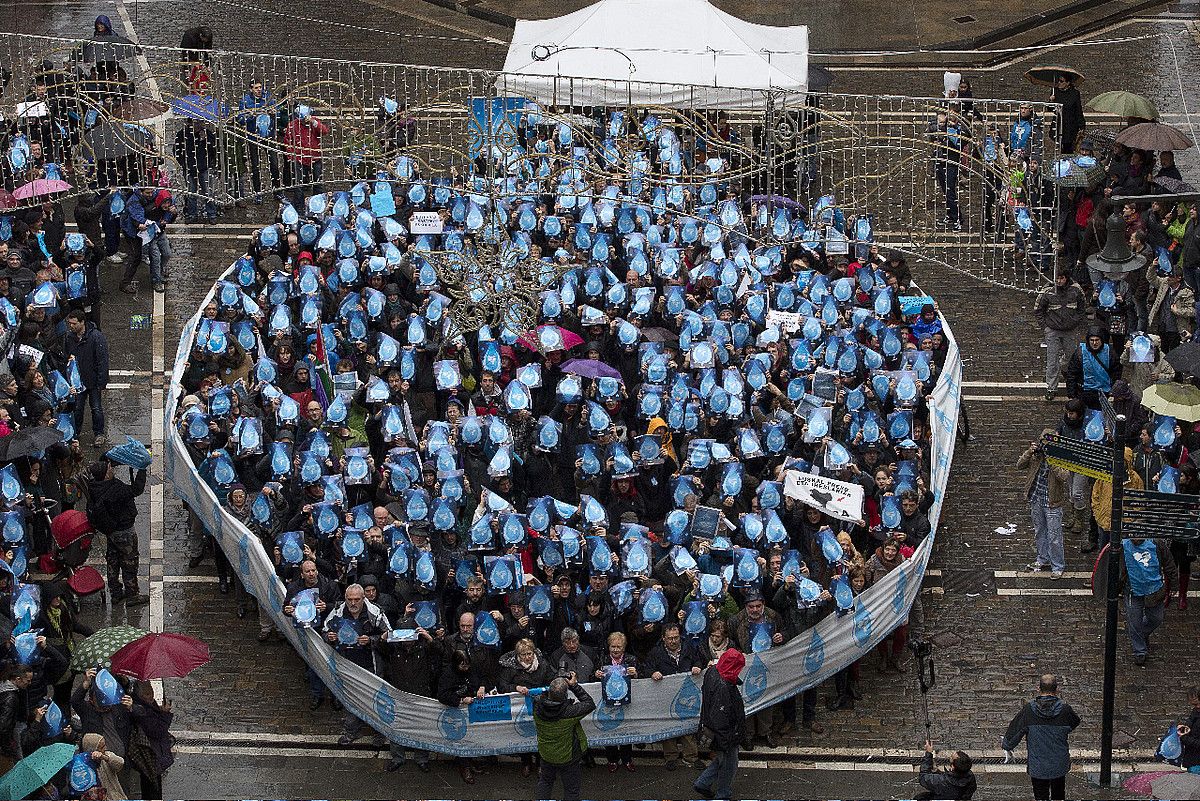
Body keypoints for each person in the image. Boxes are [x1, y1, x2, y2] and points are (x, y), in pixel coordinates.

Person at [1001, 674, 1081, 800]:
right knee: (1059, 794)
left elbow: (1014, 731)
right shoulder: (1065, 709)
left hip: (1038, 764)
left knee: (1040, 796)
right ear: (1057, 689)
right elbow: (1074, 722)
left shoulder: (1029, 710)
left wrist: (1007, 745)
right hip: (1059, 763)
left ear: (1038, 688)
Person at [87, 457, 149, 605]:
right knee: (130, 562)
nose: (111, 469)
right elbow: (136, 489)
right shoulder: (115, 489)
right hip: (124, 531)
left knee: (113, 561)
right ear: (106, 474)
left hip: (110, 532)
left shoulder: (94, 487)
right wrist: (142, 469)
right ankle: (132, 594)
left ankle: (115, 592)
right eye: (109, 468)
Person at [533, 673, 596, 801]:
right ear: (565, 695)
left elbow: (541, 697)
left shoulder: (537, 707)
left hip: (546, 754)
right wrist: (574, 685)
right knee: (571, 790)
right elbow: (589, 703)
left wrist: (555, 684)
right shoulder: (569, 713)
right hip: (568, 757)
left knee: (545, 782)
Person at [694, 648, 746, 801]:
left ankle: (703, 783)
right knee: (729, 764)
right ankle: (723, 794)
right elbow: (720, 718)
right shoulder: (723, 687)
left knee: (723, 760)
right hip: (725, 733)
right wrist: (726, 740)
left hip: (714, 729)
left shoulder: (712, 672)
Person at [1017, 430, 1069, 579]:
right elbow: (1019, 465)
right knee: (1039, 530)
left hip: (1052, 501)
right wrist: (1029, 452)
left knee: (1054, 535)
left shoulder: (1060, 455)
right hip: (1036, 498)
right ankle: (1042, 558)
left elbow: (1064, 476)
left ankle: (1058, 566)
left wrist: (1052, 459)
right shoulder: (1036, 454)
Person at [1118, 536, 1178, 665]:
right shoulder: (1122, 546)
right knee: (1134, 621)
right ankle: (1140, 651)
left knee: (1156, 618)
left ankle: (1141, 634)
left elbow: (1169, 564)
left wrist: (1174, 584)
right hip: (1132, 590)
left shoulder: (1156, 543)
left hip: (1154, 590)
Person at [1034, 272, 1087, 401]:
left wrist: (1075, 321)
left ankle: (1072, 381)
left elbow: (1082, 306)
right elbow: (1038, 309)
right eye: (1057, 278)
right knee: (1052, 360)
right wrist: (1045, 327)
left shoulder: (1076, 290)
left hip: (1070, 330)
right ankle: (1051, 387)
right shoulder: (1047, 290)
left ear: (1066, 278)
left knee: (1072, 357)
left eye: (1061, 278)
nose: (1059, 281)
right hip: (1053, 330)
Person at [63, 309, 109, 447]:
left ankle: (99, 434)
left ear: (82, 322)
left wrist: (101, 382)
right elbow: (66, 358)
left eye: (74, 323)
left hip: (93, 381)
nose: (71, 326)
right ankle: (75, 434)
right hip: (77, 382)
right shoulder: (69, 338)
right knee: (77, 409)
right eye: (70, 323)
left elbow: (102, 361)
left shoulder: (96, 337)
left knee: (96, 408)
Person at [283, 105, 329, 206]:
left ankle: (318, 205)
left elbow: (324, 131)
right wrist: (292, 158)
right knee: (299, 185)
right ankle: (299, 206)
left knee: (318, 183)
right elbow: (288, 142)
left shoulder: (314, 122)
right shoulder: (292, 126)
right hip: (300, 159)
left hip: (315, 158)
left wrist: (314, 122)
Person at [1180, 686, 1200, 769]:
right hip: (1192, 760)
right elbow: (1190, 725)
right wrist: (1182, 729)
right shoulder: (1195, 711)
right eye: (1194, 705)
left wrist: (1184, 738)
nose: (1198, 706)